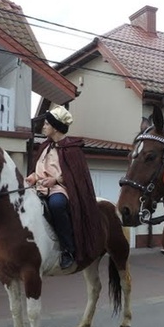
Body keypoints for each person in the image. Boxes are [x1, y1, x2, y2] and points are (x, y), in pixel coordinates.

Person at [25, 105, 103, 270]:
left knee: (57, 205)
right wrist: (32, 177)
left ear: (55, 127)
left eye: (47, 124)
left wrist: (55, 180)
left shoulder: (72, 150)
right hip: (39, 188)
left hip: (60, 189)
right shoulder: (44, 146)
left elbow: (77, 177)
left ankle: (68, 249)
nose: (43, 127)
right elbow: (37, 169)